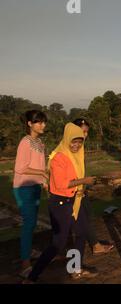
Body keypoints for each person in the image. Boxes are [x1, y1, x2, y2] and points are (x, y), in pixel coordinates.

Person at [24, 123, 97, 282]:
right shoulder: (59, 157)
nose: (76, 145)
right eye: (73, 141)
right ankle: (32, 277)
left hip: (74, 201)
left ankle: (75, 269)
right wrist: (84, 181)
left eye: (79, 141)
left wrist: (82, 188)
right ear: (66, 139)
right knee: (58, 243)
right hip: (61, 204)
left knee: (81, 234)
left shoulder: (77, 155)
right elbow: (62, 184)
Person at [13, 110, 48, 278]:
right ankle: (24, 264)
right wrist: (43, 174)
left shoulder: (40, 142)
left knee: (32, 223)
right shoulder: (25, 142)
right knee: (29, 223)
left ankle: (28, 250)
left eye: (43, 122)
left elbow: (42, 166)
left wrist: (44, 180)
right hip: (23, 187)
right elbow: (20, 168)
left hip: (34, 186)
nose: (43, 125)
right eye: (39, 122)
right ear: (29, 124)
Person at [72, 118, 114, 255]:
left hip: (81, 186)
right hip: (74, 188)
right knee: (81, 218)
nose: (85, 135)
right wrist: (80, 184)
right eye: (83, 131)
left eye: (87, 132)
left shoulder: (80, 146)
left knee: (88, 215)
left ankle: (93, 241)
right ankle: (94, 245)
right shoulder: (72, 147)